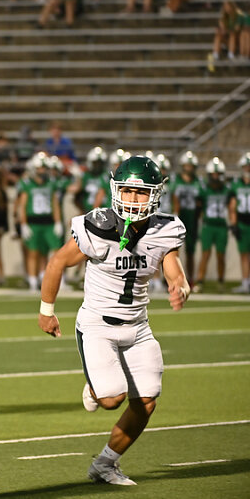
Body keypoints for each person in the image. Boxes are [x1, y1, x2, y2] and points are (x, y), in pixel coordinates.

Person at [38, 155, 189, 486]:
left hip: (138, 326)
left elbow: (172, 267)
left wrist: (180, 285)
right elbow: (57, 262)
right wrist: (46, 311)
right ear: (115, 190)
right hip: (98, 325)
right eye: (127, 191)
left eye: (141, 192)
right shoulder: (99, 227)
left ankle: (105, 464)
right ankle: (95, 386)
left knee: (146, 401)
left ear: (155, 195)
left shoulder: (165, 229)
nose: (133, 199)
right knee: (110, 400)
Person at [18, 152, 63, 291]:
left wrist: (58, 222)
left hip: (48, 222)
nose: (42, 171)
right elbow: (22, 206)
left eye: (44, 168)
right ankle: (33, 282)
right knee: (33, 253)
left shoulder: (51, 183)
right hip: (33, 222)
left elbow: (55, 203)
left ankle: (52, 280)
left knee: (54, 252)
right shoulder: (27, 184)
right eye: (39, 168)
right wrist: (23, 224)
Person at [193, 157, 229, 292]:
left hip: (221, 226)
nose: (215, 177)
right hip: (208, 225)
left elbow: (232, 207)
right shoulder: (204, 189)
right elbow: (198, 208)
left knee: (221, 255)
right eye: (213, 174)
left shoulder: (226, 189)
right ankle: (200, 281)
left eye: (218, 174)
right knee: (205, 254)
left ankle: (221, 281)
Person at [170, 150, 201, 281]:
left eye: (191, 166)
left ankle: (191, 279)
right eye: (187, 165)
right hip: (178, 217)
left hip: (192, 219)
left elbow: (200, 201)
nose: (189, 168)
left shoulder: (198, 181)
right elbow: (173, 198)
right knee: (172, 251)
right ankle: (171, 279)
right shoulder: (175, 180)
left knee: (190, 251)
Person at [229, 152, 250, 293]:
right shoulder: (236, 184)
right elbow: (232, 206)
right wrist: (233, 223)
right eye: (246, 166)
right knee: (244, 254)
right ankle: (245, 282)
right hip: (242, 222)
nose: (248, 169)